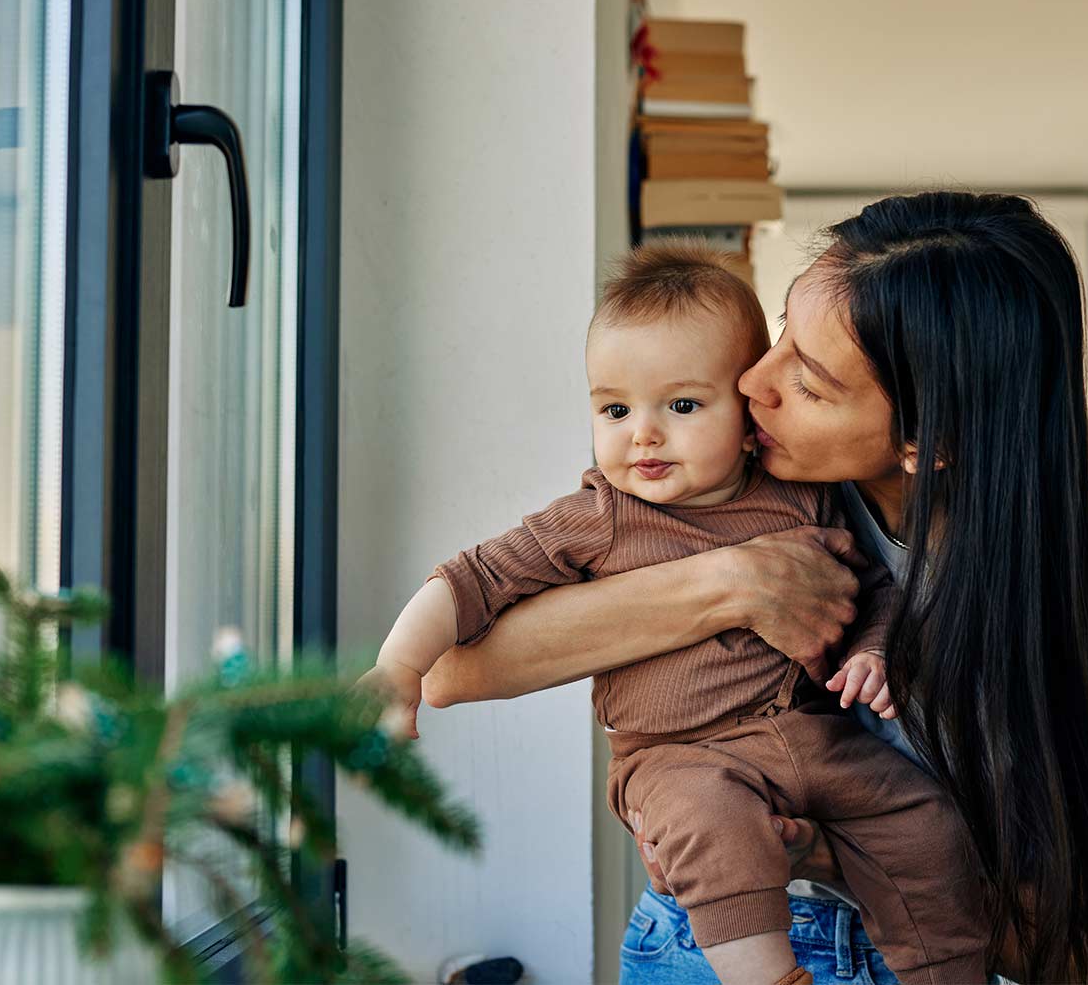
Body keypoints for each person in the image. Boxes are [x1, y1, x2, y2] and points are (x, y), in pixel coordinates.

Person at [423, 192, 1088, 983]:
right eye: (779, 339)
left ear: (924, 440)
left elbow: (1080, 958)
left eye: (810, 381)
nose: (750, 386)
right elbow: (453, 669)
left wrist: (831, 853)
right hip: (695, 949)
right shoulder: (750, 484)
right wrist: (733, 582)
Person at [363, 242, 990, 985]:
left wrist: (875, 651)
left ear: (744, 414)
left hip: (811, 739)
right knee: (710, 827)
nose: (643, 434)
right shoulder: (600, 516)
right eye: (614, 408)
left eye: (682, 406)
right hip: (678, 755)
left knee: (924, 821)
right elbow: (471, 581)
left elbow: (875, 592)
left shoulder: (807, 497)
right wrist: (396, 667)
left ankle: (946, 971)